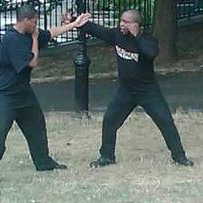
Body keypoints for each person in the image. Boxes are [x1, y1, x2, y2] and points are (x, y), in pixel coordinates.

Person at [63, 9, 193, 168]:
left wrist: (136, 36)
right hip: (126, 90)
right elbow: (96, 30)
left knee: (165, 121)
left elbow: (150, 53)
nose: (121, 24)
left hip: (148, 91)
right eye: (121, 21)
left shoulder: (148, 40)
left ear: (136, 25)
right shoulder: (117, 35)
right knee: (110, 120)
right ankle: (106, 157)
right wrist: (74, 21)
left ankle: (179, 157)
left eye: (126, 22)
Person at [0, 4, 91, 185]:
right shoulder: (12, 39)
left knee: (37, 127)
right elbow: (32, 62)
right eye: (34, 22)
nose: (36, 25)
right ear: (25, 20)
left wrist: (75, 24)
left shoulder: (30, 32)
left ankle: (43, 162)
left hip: (22, 92)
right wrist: (34, 38)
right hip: (3, 94)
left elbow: (50, 33)